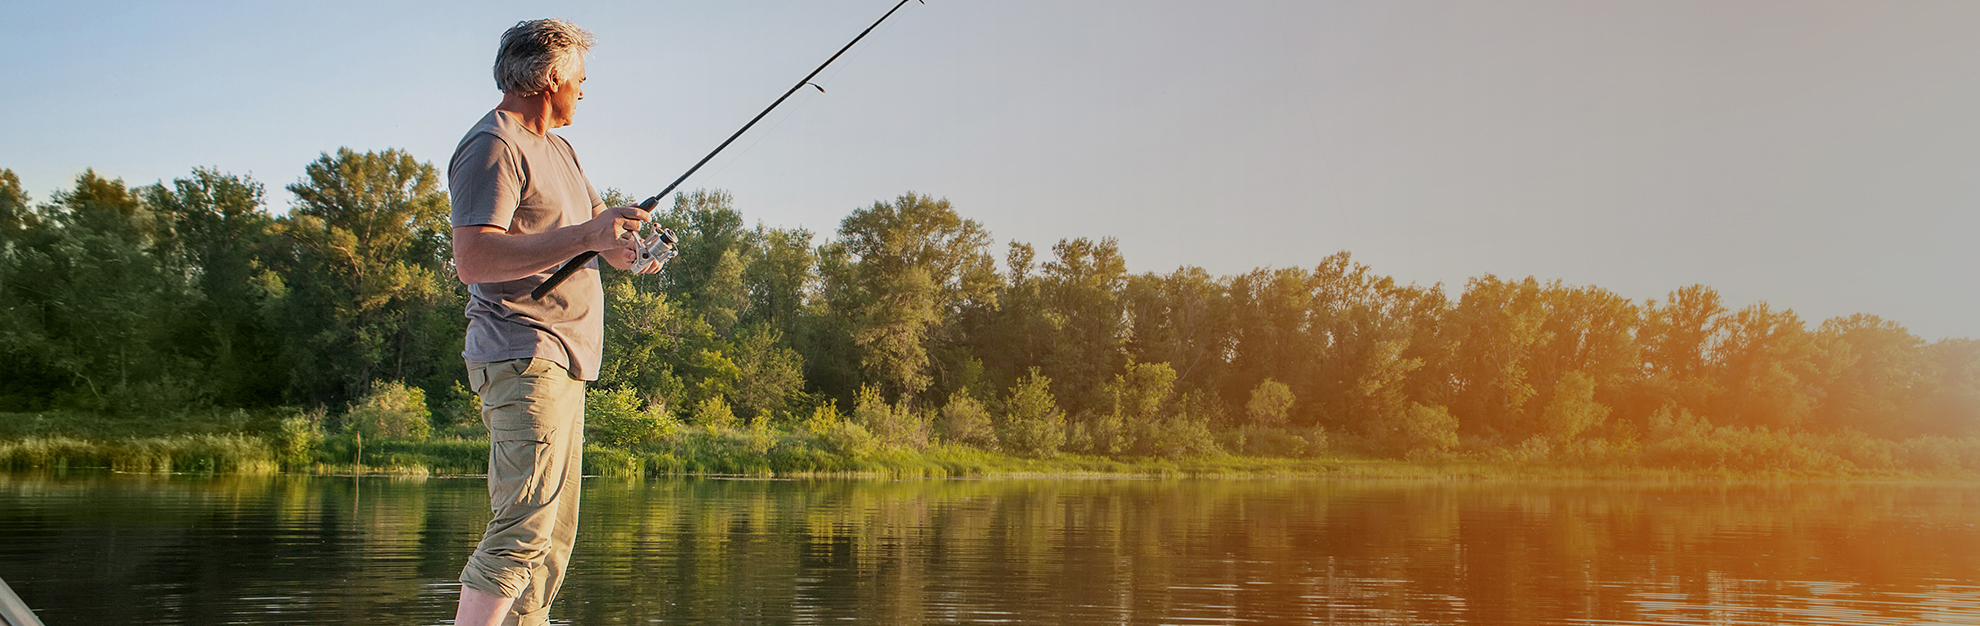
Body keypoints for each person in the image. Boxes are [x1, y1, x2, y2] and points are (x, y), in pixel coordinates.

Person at [446, 18, 659, 626]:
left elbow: (594, 235)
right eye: (581, 80)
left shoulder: (560, 151)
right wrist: (589, 234)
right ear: (552, 79)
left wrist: (626, 248)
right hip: (522, 352)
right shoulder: (493, 146)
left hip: (564, 359)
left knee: (550, 543)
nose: (584, 92)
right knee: (524, 527)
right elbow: (474, 258)